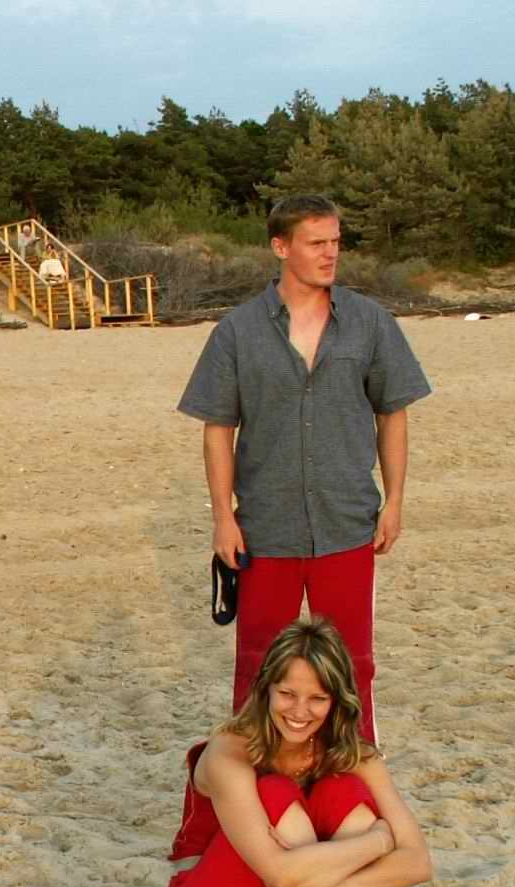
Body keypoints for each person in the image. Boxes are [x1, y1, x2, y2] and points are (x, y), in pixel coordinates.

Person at [177, 194, 430, 743]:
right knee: (258, 663)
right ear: (280, 246)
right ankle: (254, 774)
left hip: (347, 522)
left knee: (352, 663)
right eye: (316, 243)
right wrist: (223, 518)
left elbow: (393, 413)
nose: (330, 253)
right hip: (266, 528)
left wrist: (394, 502)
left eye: (335, 241)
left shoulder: (370, 323)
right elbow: (218, 428)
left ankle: (353, 769)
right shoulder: (238, 331)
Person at [162, 617, 453, 887]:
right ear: (266, 688)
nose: (300, 712)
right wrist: (376, 843)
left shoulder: (352, 754)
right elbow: (280, 874)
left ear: (337, 700)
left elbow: (418, 864)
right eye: (287, 694)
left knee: (345, 790)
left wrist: (318, 883)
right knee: (274, 790)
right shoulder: (231, 751)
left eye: (317, 698)